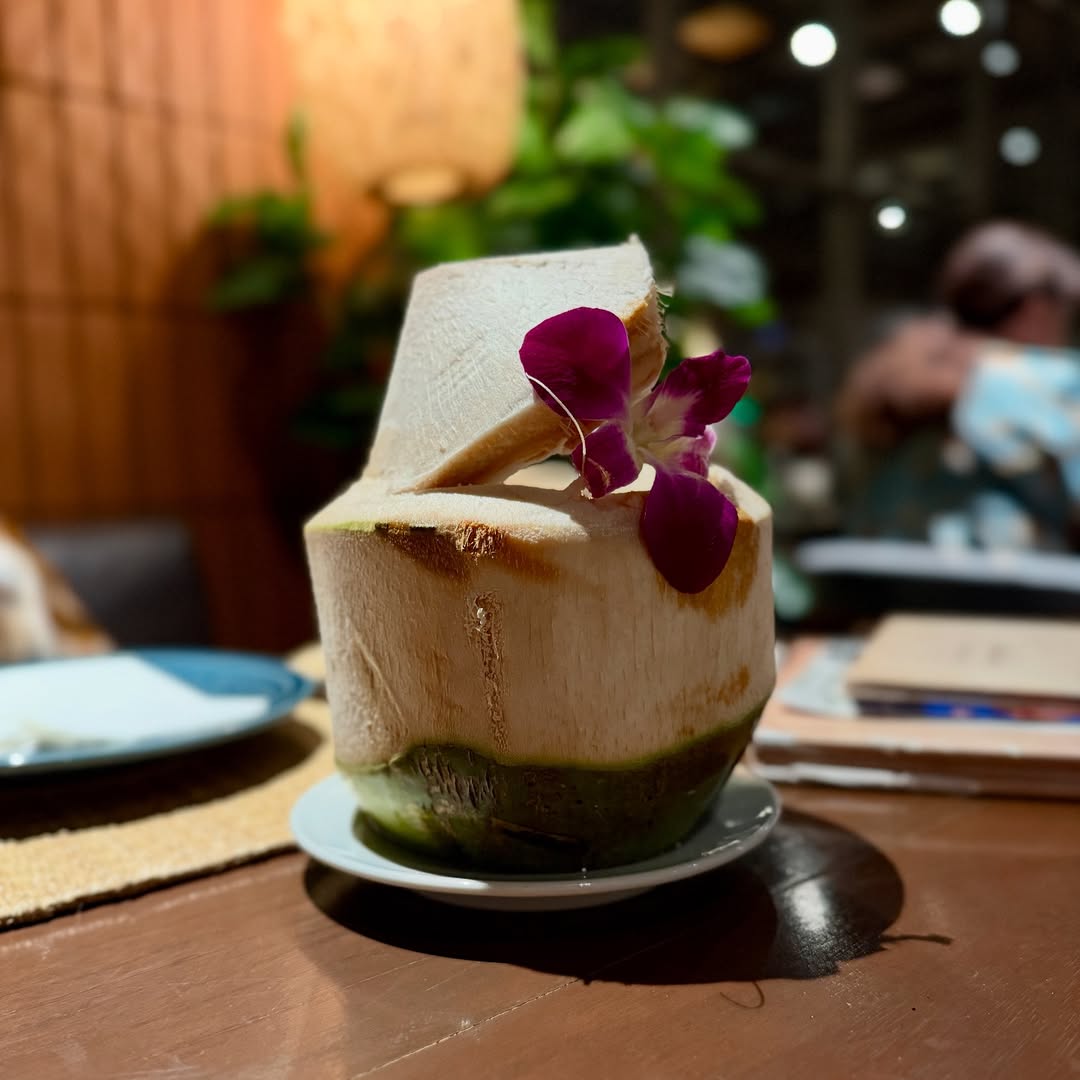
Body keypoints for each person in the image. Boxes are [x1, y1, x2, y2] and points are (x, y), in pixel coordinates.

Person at [837, 221, 1080, 549]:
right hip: (1018, 579)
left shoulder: (889, 375)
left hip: (888, 577)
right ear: (1035, 311)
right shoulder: (1051, 380)